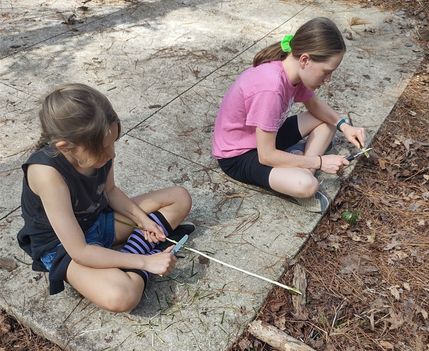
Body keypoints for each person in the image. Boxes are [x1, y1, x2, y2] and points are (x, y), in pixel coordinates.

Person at [17, 83, 194, 312]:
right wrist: (145, 262)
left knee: (179, 198)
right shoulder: (47, 174)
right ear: (66, 146)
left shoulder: (100, 149)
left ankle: (127, 252)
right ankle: (140, 255)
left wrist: (144, 220)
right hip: (65, 247)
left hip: (98, 222)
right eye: (104, 148)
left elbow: (110, 191)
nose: (111, 153)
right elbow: (80, 251)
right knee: (122, 296)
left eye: (113, 143)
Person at [212, 17, 365, 211]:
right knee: (307, 185)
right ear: (305, 60)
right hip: (240, 155)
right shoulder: (271, 88)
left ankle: (298, 164)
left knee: (329, 121)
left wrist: (345, 125)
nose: (328, 79)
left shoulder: (292, 70)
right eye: (326, 72)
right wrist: (319, 162)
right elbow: (266, 156)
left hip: (265, 137)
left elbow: (315, 105)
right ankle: (299, 166)